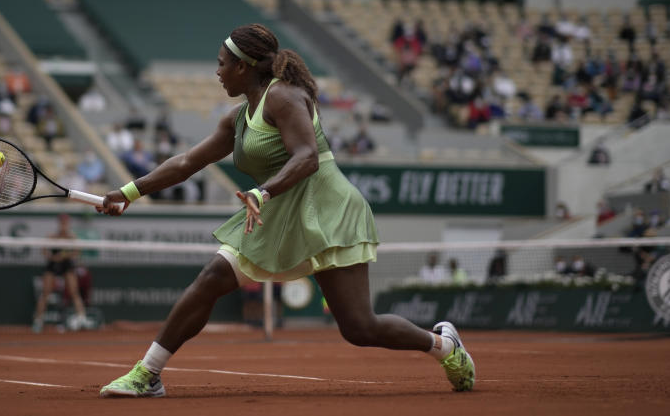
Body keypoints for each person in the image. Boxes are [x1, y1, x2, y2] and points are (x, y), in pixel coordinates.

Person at [95, 23, 475, 397]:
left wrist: (263, 192)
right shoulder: (238, 118)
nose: (217, 71)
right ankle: (149, 373)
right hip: (276, 205)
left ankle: (444, 346)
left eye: (222, 63)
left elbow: (308, 157)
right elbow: (187, 162)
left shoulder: (285, 97)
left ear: (243, 67)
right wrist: (129, 191)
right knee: (212, 276)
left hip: (327, 207)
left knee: (359, 328)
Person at [32, 214, 92, 333]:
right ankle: (38, 321)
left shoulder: (72, 237)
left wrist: (64, 255)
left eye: (66, 222)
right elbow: (44, 250)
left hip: (67, 265)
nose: (64, 224)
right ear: (59, 223)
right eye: (62, 222)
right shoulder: (52, 236)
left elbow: (77, 252)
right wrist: (53, 257)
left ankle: (82, 318)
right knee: (45, 293)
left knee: (74, 292)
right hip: (53, 264)